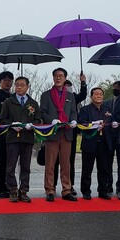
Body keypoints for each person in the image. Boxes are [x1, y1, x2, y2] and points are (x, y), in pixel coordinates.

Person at [0, 76, 41, 202]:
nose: (19, 87)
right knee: (10, 166)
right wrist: (12, 124)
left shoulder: (33, 103)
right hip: (13, 138)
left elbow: (38, 119)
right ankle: (12, 190)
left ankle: (24, 190)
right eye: (17, 85)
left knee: (25, 166)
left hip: (27, 138)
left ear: (27, 87)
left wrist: (32, 125)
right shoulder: (8, 102)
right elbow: (2, 119)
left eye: (22, 85)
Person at [40, 68, 78, 202]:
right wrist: (51, 120)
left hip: (66, 132)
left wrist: (74, 120)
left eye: (61, 76)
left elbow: (73, 111)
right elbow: (42, 112)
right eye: (56, 76)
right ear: (53, 78)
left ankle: (66, 190)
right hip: (53, 133)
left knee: (66, 164)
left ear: (65, 78)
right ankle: (50, 190)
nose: (58, 78)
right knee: (50, 163)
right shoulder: (46, 95)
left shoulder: (70, 96)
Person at [77, 87, 113, 200]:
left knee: (104, 168)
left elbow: (111, 122)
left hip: (104, 142)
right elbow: (81, 123)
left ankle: (103, 190)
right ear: (91, 96)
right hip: (90, 142)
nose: (99, 96)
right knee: (87, 169)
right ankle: (86, 191)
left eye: (101, 94)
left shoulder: (108, 109)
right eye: (96, 94)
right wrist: (94, 125)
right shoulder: (85, 109)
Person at [53, 74, 87, 195]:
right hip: (55, 132)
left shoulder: (72, 97)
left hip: (70, 133)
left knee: (69, 161)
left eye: (69, 86)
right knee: (54, 161)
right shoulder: (53, 95)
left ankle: (69, 185)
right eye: (65, 85)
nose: (67, 88)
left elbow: (83, 95)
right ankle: (52, 186)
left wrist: (83, 83)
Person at [0, 71, 14, 198]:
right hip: (1, 132)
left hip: (12, 133)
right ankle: (0, 187)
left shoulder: (13, 96)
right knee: (0, 161)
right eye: (4, 80)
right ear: (0, 82)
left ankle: (8, 186)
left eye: (9, 80)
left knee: (9, 161)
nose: (7, 82)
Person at [106, 80, 120, 193]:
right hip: (110, 135)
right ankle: (108, 185)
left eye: (117, 87)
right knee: (108, 162)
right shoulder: (107, 103)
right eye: (114, 87)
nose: (115, 89)